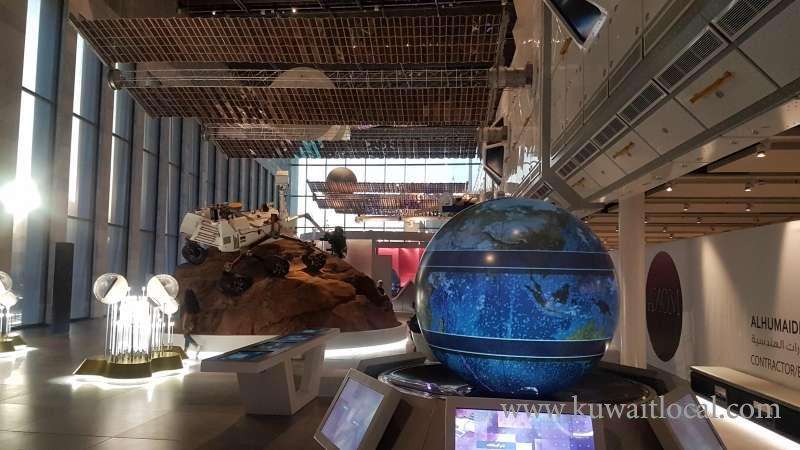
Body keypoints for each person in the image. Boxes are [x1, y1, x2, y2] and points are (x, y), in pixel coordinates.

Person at [182, 289, 201, 358]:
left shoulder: (186, 305)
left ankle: (196, 346)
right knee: (186, 336)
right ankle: (185, 351)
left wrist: (183, 325)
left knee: (186, 336)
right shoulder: (194, 304)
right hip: (191, 322)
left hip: (187, 322)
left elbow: (185, 315)